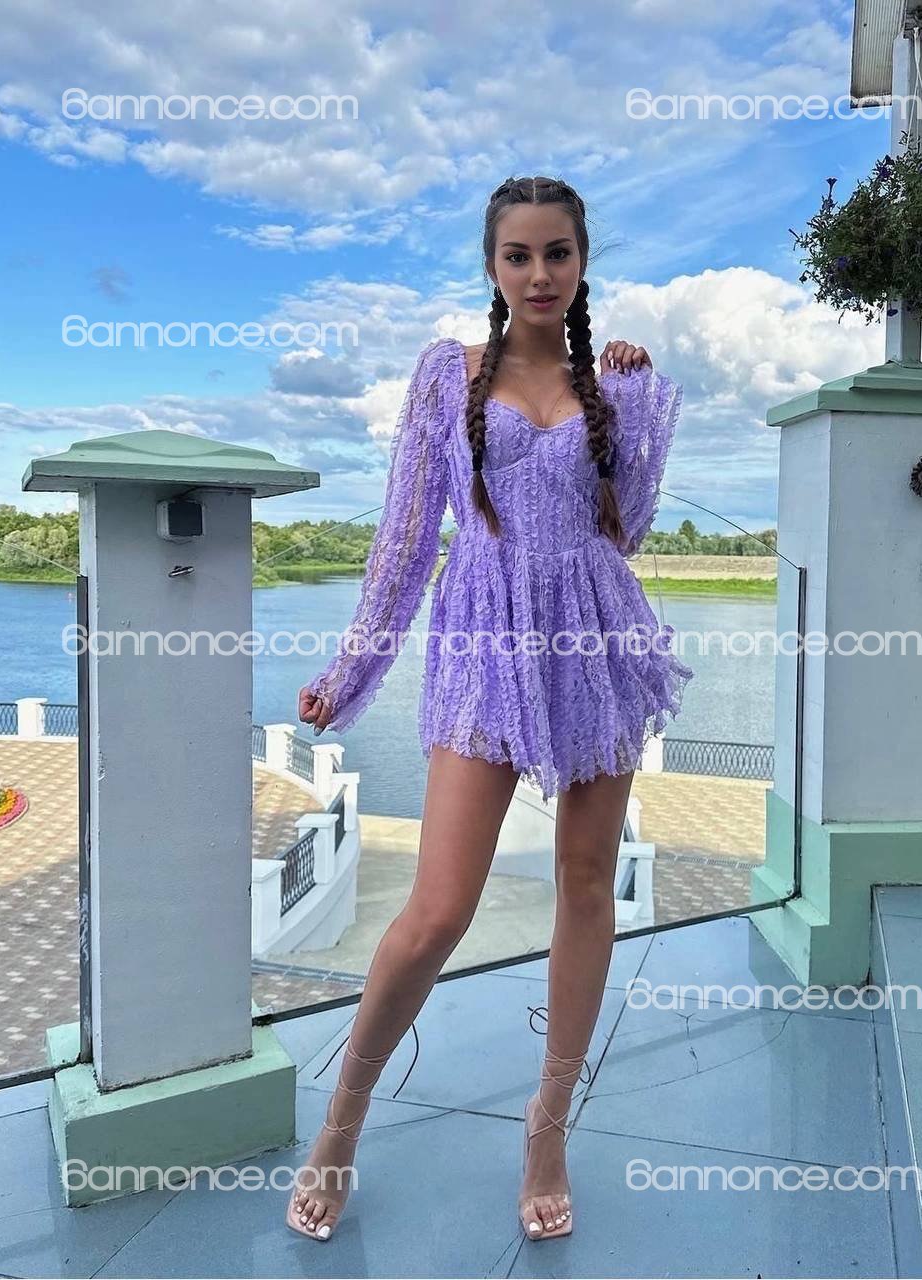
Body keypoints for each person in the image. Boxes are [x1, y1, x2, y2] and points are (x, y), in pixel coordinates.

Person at [287, 175, 693, 1243]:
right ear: (492, 266)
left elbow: (629, 527)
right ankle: (339, 1125)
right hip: (483, 641)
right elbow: (404, 536)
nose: (540, 274)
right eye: (519, 255)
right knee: (436, 910)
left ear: (582, 262)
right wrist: (351, 669)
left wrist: (638, 405)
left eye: (558, 253)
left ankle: (547, 1130)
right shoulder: (448, 374)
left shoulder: (612, 384)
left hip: (593, 636)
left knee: (586, 886)